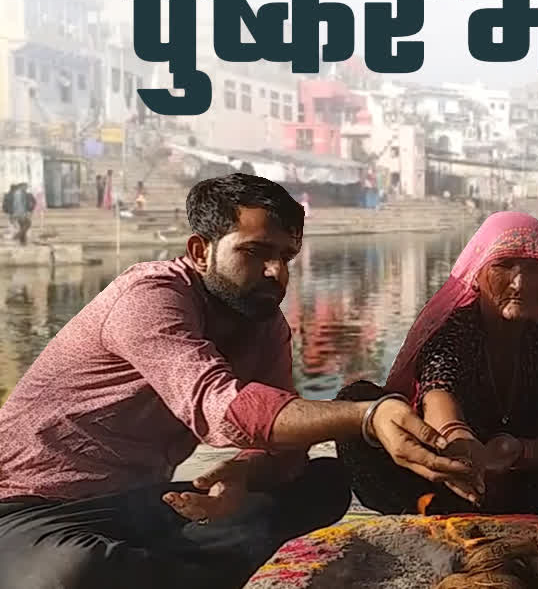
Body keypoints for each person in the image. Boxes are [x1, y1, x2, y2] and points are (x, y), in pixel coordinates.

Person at [0, 173, 472, 589]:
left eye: (286, 256)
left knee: (323, 481)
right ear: (200, 250)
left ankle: (174, 571)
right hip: (29, 507)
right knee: (78, 570)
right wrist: (368, 415)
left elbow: (282, 452)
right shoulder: (150, 298)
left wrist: (244, 474)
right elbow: (220, 406)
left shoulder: (264, 324)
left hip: (145, 504)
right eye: (255, 253)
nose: (276, 272)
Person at [336, 211, 538, 518]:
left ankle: (510, 513)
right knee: (355, 402)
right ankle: (436, 509)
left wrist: (517, 451)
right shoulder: (453, 328)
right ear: (477, 272)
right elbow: (438, 393)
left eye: (533, 269)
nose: (519, 283)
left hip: (524, 479)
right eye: (503, 266)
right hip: (449, 475)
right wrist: (460, 440)